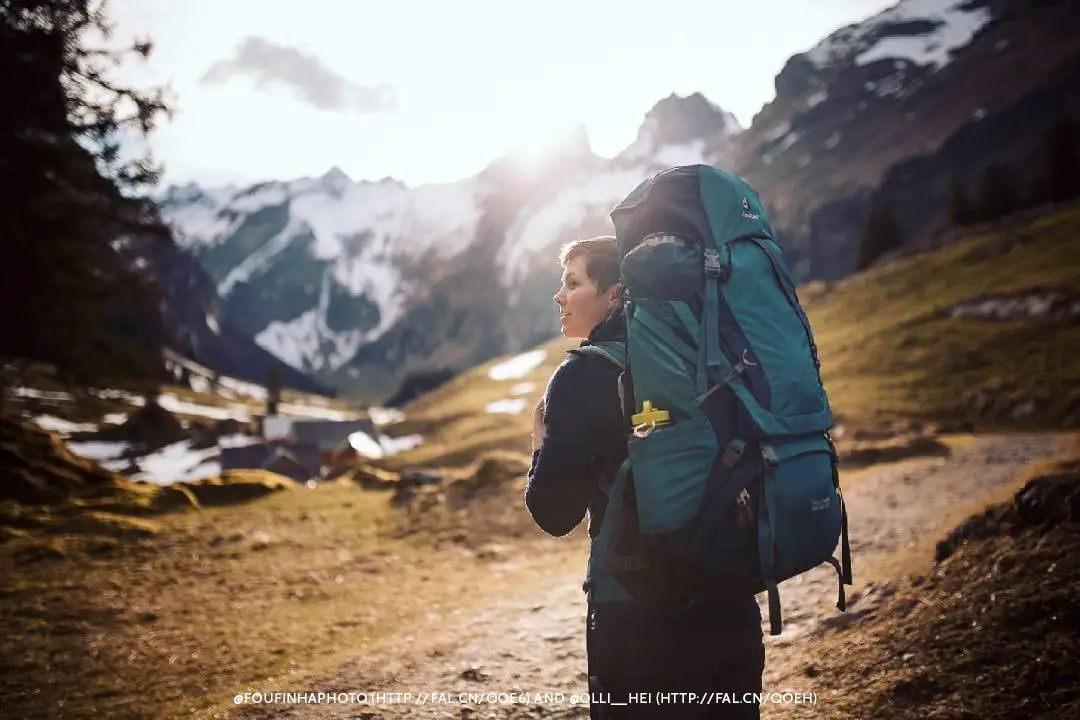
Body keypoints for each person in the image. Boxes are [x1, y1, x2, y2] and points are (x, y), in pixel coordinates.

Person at [525, 235, 766, 720]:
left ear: (615, 294)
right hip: (731, 598)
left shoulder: (582, 376)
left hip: (638, 617)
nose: (559, 296)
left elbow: (554, 513)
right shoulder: (707, 358)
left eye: (572, 283)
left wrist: (539, 443)